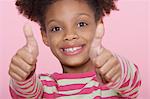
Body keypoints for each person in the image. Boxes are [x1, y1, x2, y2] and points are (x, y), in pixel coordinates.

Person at [8, 0, 141, 98]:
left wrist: (116, 69)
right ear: (45, 36)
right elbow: (24, 93)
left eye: (81, 24)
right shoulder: (45, 87)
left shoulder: (115, 82)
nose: (69, 35)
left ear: (98, 25)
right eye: (56, 28)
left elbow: (132, 80)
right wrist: (23, 76)